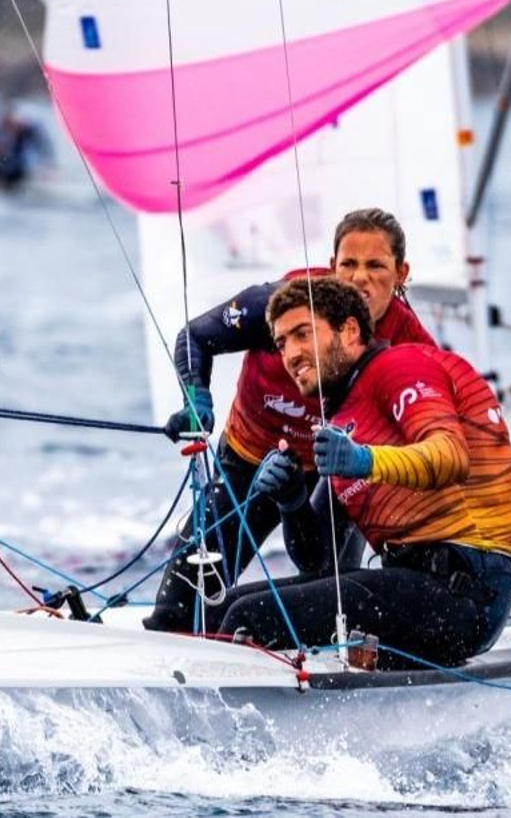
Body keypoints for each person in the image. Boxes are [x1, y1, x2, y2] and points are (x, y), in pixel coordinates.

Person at [200, 276, 511, 668]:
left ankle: (225, 728)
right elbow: (319, 562)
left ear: (349, 330)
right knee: (219, 610)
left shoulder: (398, 366)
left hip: (466, 592)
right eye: (282, 342)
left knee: (248, 617)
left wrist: (363, 461)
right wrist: (292, 500)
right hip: (412, 587)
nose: (291, 354)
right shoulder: (344, 415)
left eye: (303, 334)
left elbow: (450, 455)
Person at [143, 208, 436, 633]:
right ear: (332, 266)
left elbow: (446, 433)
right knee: (176, 614)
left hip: (330, 474)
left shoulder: (408, 342)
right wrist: (197, 397)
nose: (360, 279)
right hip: (250, 463)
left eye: (376, 266)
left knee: (327, 597)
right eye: (348, 265)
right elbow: (197, 337)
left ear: (401, 273)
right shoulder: (283, 302)